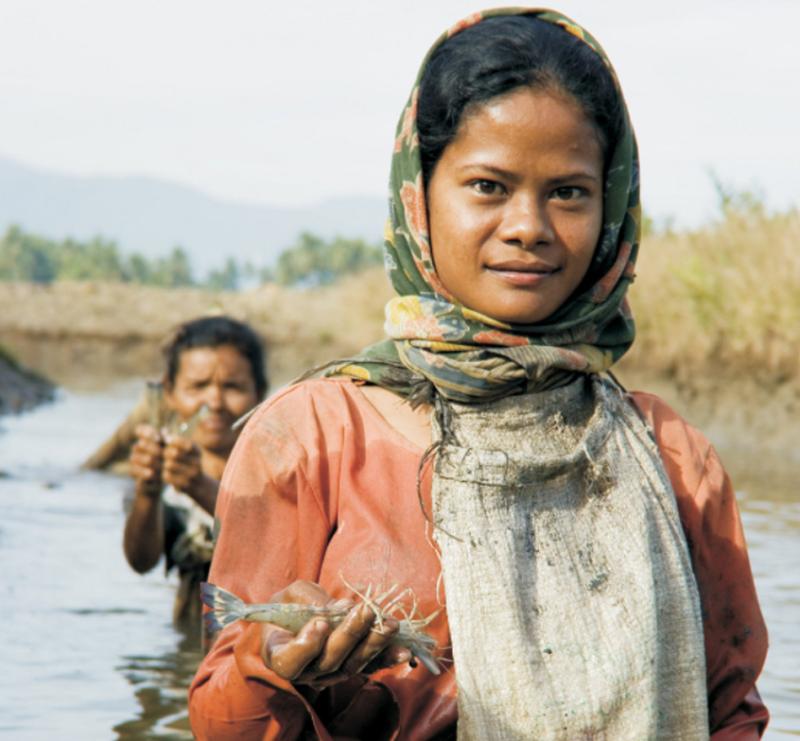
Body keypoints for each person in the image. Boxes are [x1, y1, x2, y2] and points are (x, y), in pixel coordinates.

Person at [189, 9, 768, 739]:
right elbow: (221, 724)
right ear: (420, 194)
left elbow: (730, 710)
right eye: (489, 186)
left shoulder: (670, 456)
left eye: (569, 192)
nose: (529, 225)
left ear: (612, 206)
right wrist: (271, 664)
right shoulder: (311, 438)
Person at [123, 315, 267, 624]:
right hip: (190, 637)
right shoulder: (160, 466)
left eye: (232, 387)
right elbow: (141, 562)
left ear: (260, 393)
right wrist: (147, 493)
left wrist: (199, 487)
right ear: (170, 392)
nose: (214, 402)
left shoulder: (282, 473)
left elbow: (272, 538)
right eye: (198, 386)